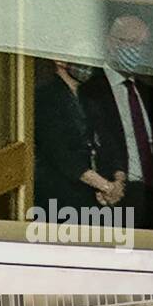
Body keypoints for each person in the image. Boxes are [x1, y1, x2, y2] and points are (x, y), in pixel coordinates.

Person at [80, 16, 153, 229]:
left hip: (151, 197)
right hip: (110, 198)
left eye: (142, 44)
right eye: (131, 43)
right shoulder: (88, 90)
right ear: (111, 43)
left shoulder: (149, 94)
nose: (137, 50)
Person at [34, 59, 126, 218]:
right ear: (59, 60)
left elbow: (111, 145)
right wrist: (106, 187)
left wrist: (118, 183)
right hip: (59, 203)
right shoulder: (45, 97)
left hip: (96, 202)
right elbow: (61, 154)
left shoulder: (89, 99)